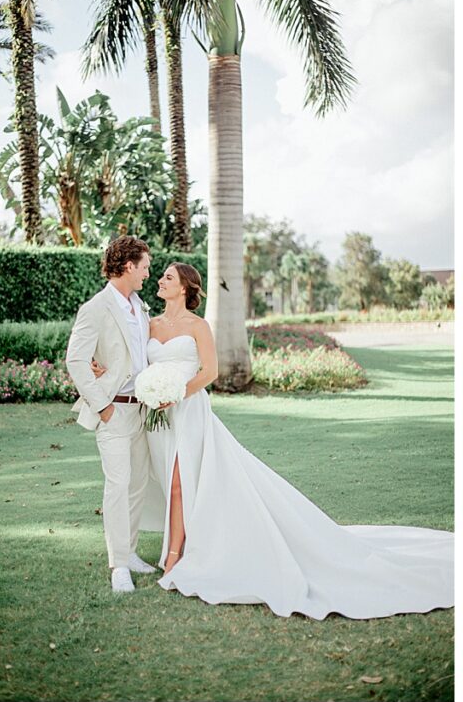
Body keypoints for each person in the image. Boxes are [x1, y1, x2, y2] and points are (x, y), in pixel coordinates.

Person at [96, 262, 453, 619]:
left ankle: (173, 558)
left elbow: (211, 371)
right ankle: (189, 546)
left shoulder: (198, 326)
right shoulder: (150, 324)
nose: (160, 280)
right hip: (159, 419)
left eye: (168, 278)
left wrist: (177, 393)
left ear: (186, 288)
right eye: (160, 277)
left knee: (179, 484)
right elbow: (132, 361)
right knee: (175, 482)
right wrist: (105, 369)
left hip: (189, 413)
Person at [65, 236, 164, 594]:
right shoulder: (96, 307)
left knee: (138, 484)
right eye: (145, 267)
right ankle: (118, 566)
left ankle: (131, 550)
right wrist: (101, 405)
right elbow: (75, 359)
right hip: (114, 412)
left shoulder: (141, 307)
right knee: (118, 485)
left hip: (144, 410)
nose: (148, 274)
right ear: (127, 266)